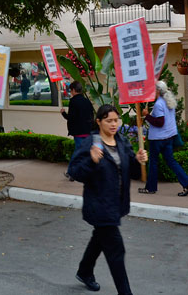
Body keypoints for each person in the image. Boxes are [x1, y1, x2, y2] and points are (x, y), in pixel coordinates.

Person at [68, 104, 148, 295]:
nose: (114, 124)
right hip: (99, 205)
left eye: (116, 120)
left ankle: (84, 271)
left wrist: (139, 160)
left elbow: (133, 172)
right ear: (99, 122)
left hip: (116, 203)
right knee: (116, 250)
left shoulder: (121, 141)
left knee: (99, 239)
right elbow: (74, 172)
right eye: (109, 121)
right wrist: (91, 160)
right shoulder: (91, 144)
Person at [138, 80, 188, 196]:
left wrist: (146, 115)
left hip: (157, 139)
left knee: (153, 162)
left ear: (158, 91)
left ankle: (151, 188)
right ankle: (187, 183)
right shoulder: (169, 101)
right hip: (168, 137)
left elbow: (160, 122)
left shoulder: (159, 104)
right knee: (171, 161)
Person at [61, 80, 95, 152]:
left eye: (71, 90)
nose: (71, 93)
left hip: (78, 132)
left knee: (79, 153)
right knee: (87, 152)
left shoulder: (73, 101)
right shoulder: (87, 101)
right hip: (88, 131)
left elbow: (71, 118)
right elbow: (92, 116)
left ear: (73, 90)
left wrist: (63, 113)